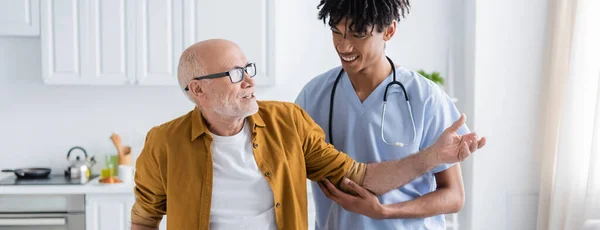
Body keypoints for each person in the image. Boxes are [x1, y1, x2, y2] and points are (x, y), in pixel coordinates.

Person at [130, 39, 485, 230]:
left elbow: (358, 176)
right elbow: (144, 220)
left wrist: (432, 157)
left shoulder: (288, 122)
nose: (250, 81)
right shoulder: (163, 144)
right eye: (235, 73)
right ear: (197, 90)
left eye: (247, 68)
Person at [294, 0, 486, 229]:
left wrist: (384, 212)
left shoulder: (425, 97)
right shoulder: (313, 96)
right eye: (337, 31)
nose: (343, 46)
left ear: (389, 31)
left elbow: (454, 196)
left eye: (358, 34)